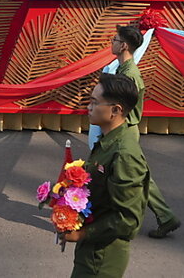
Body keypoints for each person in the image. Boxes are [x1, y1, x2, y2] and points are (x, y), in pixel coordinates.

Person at [61, 74, 150, 277]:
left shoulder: (124, 154)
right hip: (93, 247)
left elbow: (127, 219)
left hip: (103, 255)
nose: (89, 108)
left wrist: (82, 233)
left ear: (115, 110)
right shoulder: (107, 140)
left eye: (94, 102)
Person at [111, 25, 181, 238]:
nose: (111, 42)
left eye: (114, 39)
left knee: (134, 178)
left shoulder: (129, 75)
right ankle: (166, 217)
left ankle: (163, 217)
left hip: (124, 133)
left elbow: (121, 110)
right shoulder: (123, 70)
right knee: (135, 177)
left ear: (123, 45)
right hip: (122, 131)